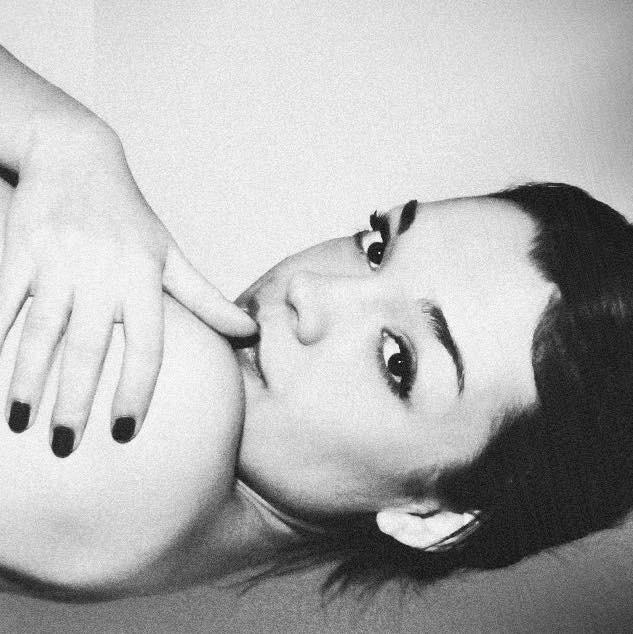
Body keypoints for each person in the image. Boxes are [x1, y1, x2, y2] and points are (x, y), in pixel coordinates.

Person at [1, 46, 633, 604]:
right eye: (376, 248)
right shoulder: (169, 568)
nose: (309, 291)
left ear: (434, 519)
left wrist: (60, 136)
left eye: (398, 362)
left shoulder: (180, 399)